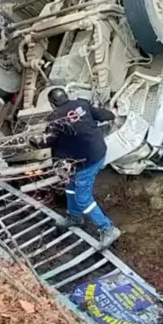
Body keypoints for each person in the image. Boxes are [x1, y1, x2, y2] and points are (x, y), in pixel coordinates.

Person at [33, 87, 120, 249]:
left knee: (83, 198)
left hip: (87, 161)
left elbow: (46, 141)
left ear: (52, 104)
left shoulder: (55, 119)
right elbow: (102, 115)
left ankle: (108, 229)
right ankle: (74, 217)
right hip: (95, 152)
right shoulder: (81, 105)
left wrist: (33, 141)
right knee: (70, 187)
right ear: (67, 97)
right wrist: (112, 113)